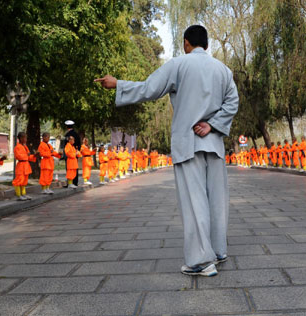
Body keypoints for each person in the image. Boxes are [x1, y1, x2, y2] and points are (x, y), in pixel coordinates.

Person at [95, 24, 238, 277]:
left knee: (194, 202)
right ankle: (218, 250)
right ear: (207, 44)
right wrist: (213, 124)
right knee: (216, 201)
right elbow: (232, 102)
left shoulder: (178, 65)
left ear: (186, 43)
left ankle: (201, 261)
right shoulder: (223, 70)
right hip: (214, 143)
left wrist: (118, 84)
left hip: (188, 143)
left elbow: (150, 88)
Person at [12, 132, 37, 200]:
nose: (26, 139)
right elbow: (19, 156)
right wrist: (27, 155)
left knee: (24, 181)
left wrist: (34, 155)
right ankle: (18, 195)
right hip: (21, 165)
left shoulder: (25, 146)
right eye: (24, 138)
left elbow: (28, 157)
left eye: (26, 138)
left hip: (26, 165)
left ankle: (23, 194)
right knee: (19, 180)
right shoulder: (17, 147)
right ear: (20, 138)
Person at [63, 120, 81, 187]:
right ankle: (75, 182)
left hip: (70, 155)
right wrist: (77, 152)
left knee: (69, 169)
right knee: (74, 169)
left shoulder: (68, 135)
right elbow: (79, 144)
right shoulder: (76, 134)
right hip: (75, 154)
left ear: (67, 126)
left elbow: (65, 146)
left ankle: (70, 183)